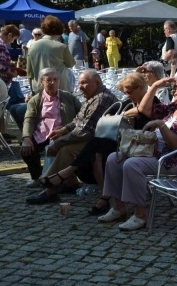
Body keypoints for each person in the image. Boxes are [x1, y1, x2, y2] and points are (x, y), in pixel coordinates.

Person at [42, 72, 159, 215]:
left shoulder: (153, 102)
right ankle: (104, 196)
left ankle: (66, 174)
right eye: (125, 92)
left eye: (129, 91)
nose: (127, 95)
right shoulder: (128, 102)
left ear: (140, 88)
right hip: (125, 143)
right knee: (96, 151)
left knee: (95, 144)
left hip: (141, 146)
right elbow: (109, 115)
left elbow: (142, 113)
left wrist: (123, 114)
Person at [98, 74, 177, 230]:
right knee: (114, 158)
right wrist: (155, 86)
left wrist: (161, 125)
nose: (173, 89)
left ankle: (141, 214)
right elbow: (143, 109)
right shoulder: (174, 107)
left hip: (173, 160)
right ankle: (119, 207)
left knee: (132, 165)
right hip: (156, 154)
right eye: (173, 86)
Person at [26, 70, 116, 204]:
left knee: (65, 149)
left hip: (106, 142)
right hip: (95, 139)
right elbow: (78, 120)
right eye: (79, 83)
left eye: (84, 83)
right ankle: (57, 184)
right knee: (60, 146)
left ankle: (51, 186)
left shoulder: (101, 98)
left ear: (97, 82)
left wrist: (60, 142)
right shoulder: (93, 96)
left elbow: (85, 129)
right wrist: (63, 131)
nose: (80, 87)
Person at [20, 69, 81, 187]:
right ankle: (36, 177)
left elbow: (82, 113)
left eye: (55, 79)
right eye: (48, 80)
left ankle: (61, 179)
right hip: (41, 134)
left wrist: (69, 128)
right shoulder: (35, 99)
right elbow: (29, 119)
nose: (52, 82)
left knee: (58, 148)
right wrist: (26, 137)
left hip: (62, 133)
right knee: (26, 150)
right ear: (42, 82)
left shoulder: (68, 97)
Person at [26, 16, 76, 94]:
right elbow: (71, 63)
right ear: (60, 29)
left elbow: (30, 74)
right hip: (60, 89)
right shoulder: (61, 47)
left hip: (40, 89)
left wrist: (33, 91)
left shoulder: (32, 46)